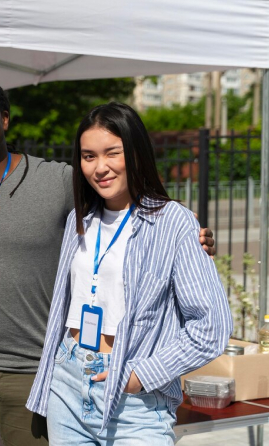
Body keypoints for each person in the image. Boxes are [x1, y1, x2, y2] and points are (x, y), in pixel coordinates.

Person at [0, 76, 216, 446]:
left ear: (4, 119)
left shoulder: (57, 183)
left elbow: (132, 207)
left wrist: (189, 236)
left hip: (35, 367)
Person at [26, 102, 232, 444]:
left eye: (112, 153)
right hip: (68, 380)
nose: (100, 167)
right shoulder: (79, 221)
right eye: (89, 156)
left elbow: (212, 327)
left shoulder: (173, 222)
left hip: (135, 399)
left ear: (135, 153)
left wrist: (140, 375)